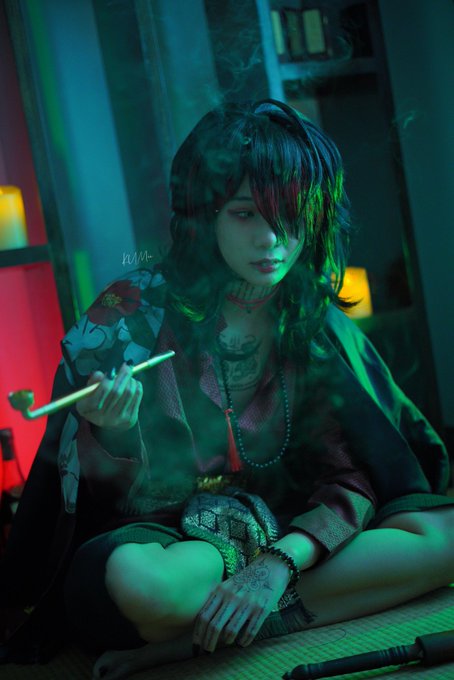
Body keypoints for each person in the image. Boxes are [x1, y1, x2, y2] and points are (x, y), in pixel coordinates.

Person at [1, 100, 453, 680]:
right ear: (205, 214)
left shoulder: (311, 318)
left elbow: (352, 474)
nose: (271, 239)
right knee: (139, 584)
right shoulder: (130, 314)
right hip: (181, 544)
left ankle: (192, 642)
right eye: (245, 214)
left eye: (290, 213)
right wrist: (114, 432)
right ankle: (230, 615)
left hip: (291, 526)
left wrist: (278, 564)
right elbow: (102, 505)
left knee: (444, 535)